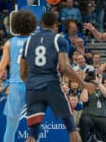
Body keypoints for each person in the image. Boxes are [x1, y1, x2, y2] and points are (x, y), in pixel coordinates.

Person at [20, 11, 95, 142]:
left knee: (32, 135)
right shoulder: (59, 40)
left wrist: (33, 84)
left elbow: (22, 73)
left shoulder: (28, 42)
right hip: (52, 86)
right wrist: (84, 84)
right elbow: (65, 67)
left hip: (32, 88)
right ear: (56, 25)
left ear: (41, 24)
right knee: (72, 129)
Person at [0, 10, 37, 142]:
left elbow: (0, 69)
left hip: (16, 88)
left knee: (11, 128)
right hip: (33, 87)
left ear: (15, 25)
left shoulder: (10, 43)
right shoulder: (37, 41)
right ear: (32, 24)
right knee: (34, 129)